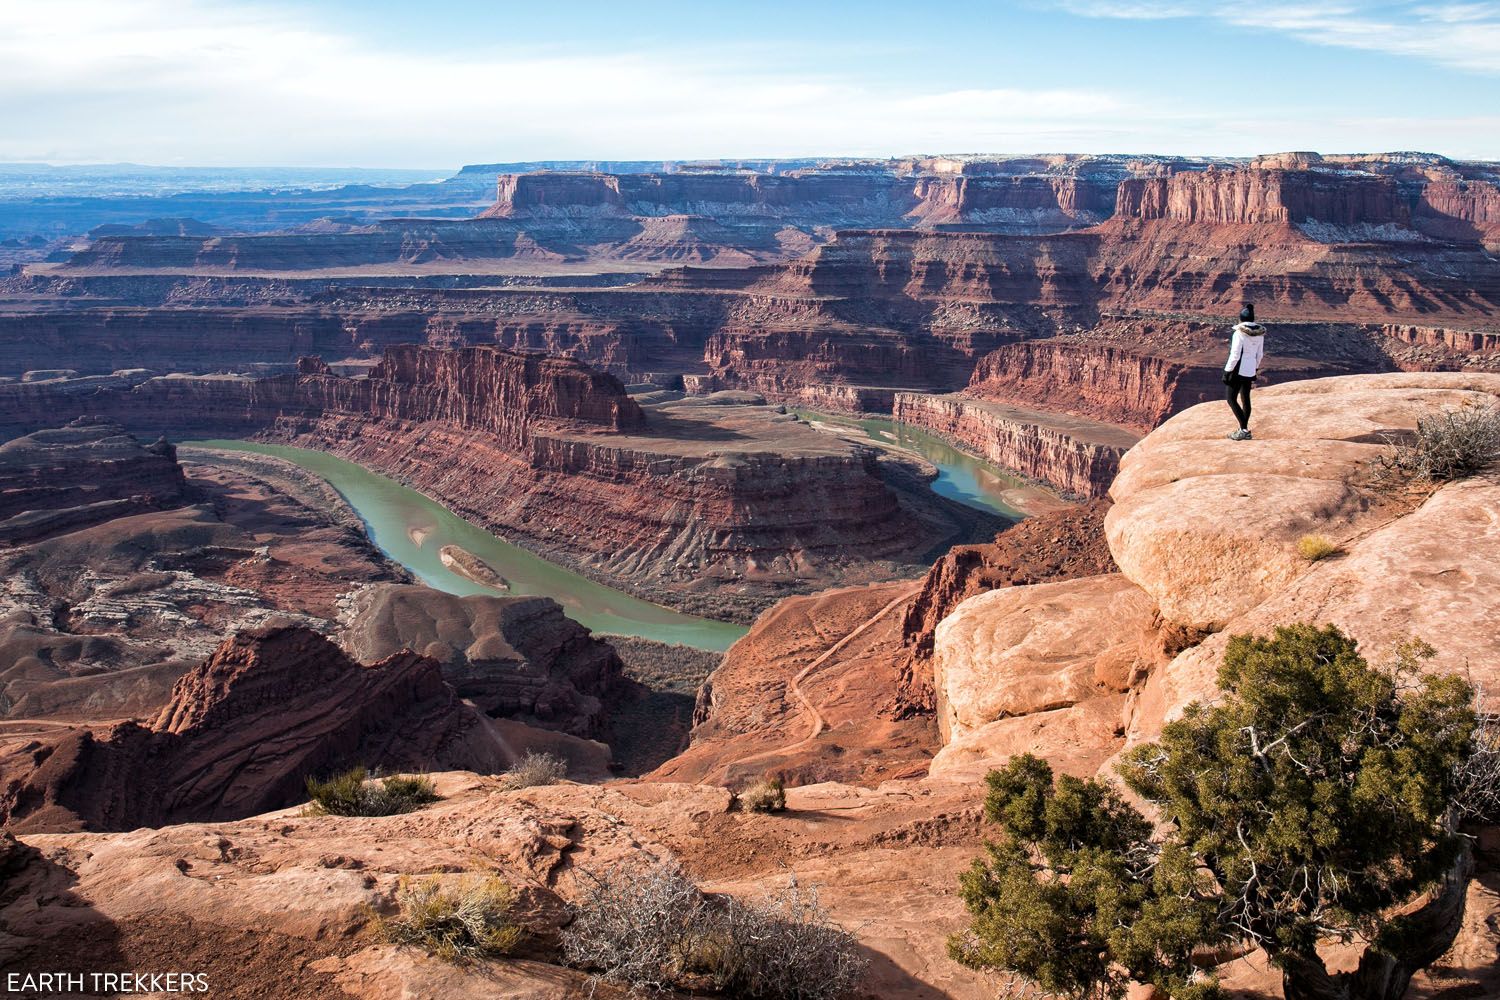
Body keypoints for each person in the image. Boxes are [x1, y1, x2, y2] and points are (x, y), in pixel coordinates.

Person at [1223, 303, 1266, 440]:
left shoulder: (1239, 333)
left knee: (1231, 399)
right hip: (1250, 369)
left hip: (1237, 369)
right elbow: (1260, 355)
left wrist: (1227, 371)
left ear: (1240, 319)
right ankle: (1244, 430)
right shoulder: (1260, 334)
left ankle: (1243, 430)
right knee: (1245, 399)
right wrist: (1255, 367)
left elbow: (1235, 354)